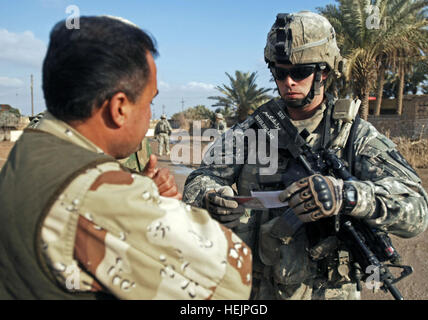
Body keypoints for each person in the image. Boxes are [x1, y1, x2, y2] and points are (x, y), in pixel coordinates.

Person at [0, 16, 252, 300]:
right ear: (119, 108)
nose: (149, 114)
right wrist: (150, 206)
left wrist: (136, 194)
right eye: (149, 101)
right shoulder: (100, 194)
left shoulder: (34, 148)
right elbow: (232, 278)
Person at [183, 11, 428, 300]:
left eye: (299, 72)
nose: (288, 81)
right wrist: (211, 196)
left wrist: (346, 195)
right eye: (279, 72)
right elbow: (200, 179)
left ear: (324, 71)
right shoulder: (254, 129)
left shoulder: (354, 136)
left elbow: (418, 209)